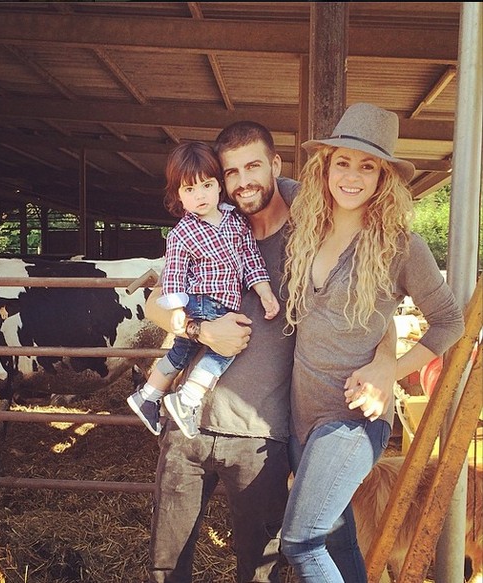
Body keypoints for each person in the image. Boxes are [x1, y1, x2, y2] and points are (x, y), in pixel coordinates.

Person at [143, 120, 397, 583]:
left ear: (277, 166)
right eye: (232, 172)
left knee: (259, 569)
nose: (244, 181)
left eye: (254, 166)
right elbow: (154, 304)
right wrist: (201, 331)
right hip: (188, 424)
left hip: (262, 437)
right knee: (166, 563)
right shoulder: (209, 225)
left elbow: (373, 306)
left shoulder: (316, 228)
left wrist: (385, 365)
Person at [279, 102, 465, 582]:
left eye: (369, 167)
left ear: (385, 178)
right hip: (303, 415)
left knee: (301, 542)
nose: (352, 176)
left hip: (354, 419)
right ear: (325, 165)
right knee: (340, 541)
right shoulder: (306, 224)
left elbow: (449, 322)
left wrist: (390, 369)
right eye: (343, 161)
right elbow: (250, 184)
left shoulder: (402, 246)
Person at [127, 141, 280, 440]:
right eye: (189, 190)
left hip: (221, 303)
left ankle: (147, 395)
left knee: (181, 351)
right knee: (227, 349)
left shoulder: (236, 222)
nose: (199, 196)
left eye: (206, 186)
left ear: (218, 186)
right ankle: (186, 400)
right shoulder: (182, 233)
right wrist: (175, 311)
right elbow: (174, 271)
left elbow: (250, 258)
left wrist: (264, 291)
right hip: (203, 302)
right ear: (178, 195)